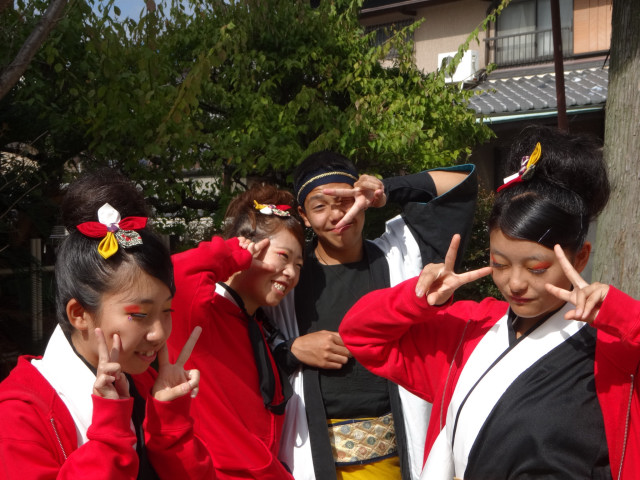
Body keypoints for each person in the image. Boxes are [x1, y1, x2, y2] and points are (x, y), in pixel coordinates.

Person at [339, 125, 640, 479]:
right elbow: (360, 334)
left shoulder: (612, 344)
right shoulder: (472, 328)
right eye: (500, 263)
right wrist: (417, 299)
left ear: (580, 257)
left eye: (537, 268)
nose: (515, 283)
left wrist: (621, 314)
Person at [264, 151, 478, 480]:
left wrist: (385, 189)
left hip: (403, 452)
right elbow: (244, 341)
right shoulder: (286, 276)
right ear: (303, 216)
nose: (338, 214)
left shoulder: (402, 254)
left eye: (346, 200)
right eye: (320, 206)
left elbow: (460, 183)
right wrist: (290, 350)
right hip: (312, 457)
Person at [0, 169, 213, 479]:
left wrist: (170, 425)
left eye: (167, 311)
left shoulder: (145, 383)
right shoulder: (20, 415)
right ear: (79, 314)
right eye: (139, 315)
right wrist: (110, 431)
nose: (159, 334)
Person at [168, 183, 305, 480]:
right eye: (283, 256)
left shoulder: (257, 325)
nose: (292, 273)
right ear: (249, 247)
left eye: (298, 265)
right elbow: (172, 273)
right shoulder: (200, 312)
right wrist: (231, 253)